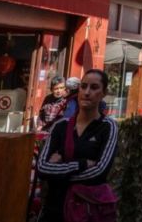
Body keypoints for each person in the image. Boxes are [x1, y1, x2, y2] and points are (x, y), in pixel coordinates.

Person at [36, 69, 119, 222]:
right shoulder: (60, 126)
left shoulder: (108, 127)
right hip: (55, 210)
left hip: (87, 211)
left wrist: (58, 173)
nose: (87, 92)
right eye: (83, 86)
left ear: (104, 93)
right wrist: (82, 163)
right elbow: (42, 168)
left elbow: (100, 171)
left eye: (94, 87)